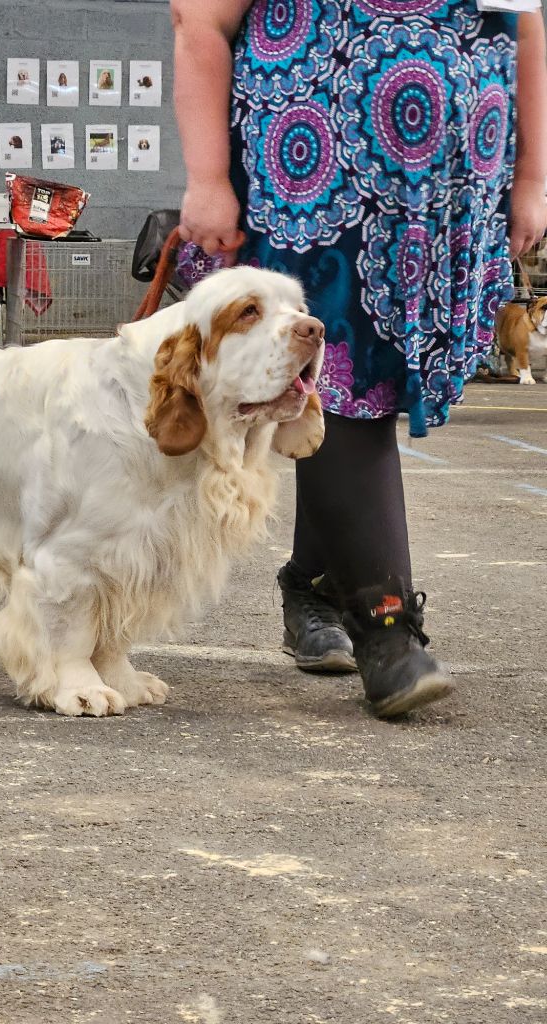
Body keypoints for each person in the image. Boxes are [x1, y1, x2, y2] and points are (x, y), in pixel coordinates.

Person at [171, 1, 547, 716]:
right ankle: (387, 632)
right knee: (337, 382)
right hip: (311, 176)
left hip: (445, 201)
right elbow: (199, 22)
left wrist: (531, 177)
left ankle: (314, 582)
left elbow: (524, 25)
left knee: (362, 396)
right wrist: (207, 177)